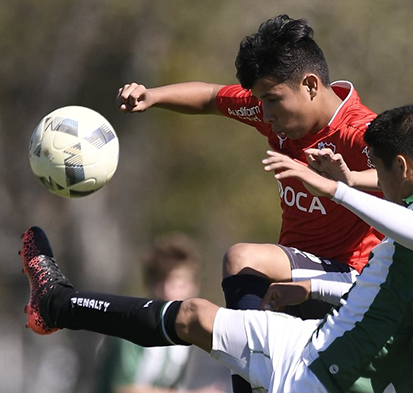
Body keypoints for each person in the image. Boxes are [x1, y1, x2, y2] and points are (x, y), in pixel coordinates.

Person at [20, 105, 413, 392]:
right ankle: (56, 302)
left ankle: (59, 304)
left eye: (379, 172)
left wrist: (335, 191)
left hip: (331, 376)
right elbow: (396, 298)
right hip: (323, 346)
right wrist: (311, 292)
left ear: (402, 165)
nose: (377, 184)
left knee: (196, 317)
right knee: (193, 316)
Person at [116, 14, 383, 323]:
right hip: (295, 278)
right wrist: (153, 96)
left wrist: (349, 180)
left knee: (243, 259)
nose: (265, 113)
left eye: (272, 100)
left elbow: (411, 179)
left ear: (310, 85)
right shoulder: (270, 108)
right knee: (208, 320)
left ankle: (248, 362)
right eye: (261, 100)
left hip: (351, 281)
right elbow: (211, 97)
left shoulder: (362, 131)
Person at [94, 233, 231, 393]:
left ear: (194, 285)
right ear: (149, 284)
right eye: (161, 282)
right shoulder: (133, 323)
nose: (167, 291)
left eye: (177, 283)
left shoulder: (191, 332)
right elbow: (122, 388)